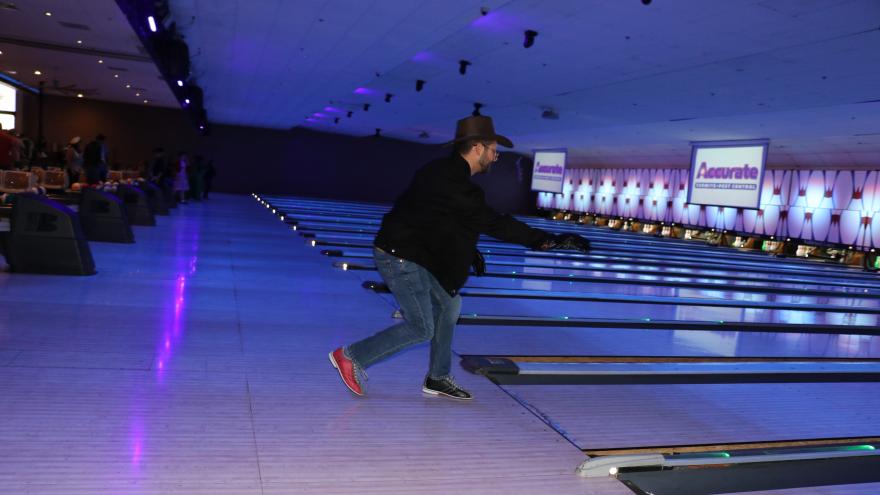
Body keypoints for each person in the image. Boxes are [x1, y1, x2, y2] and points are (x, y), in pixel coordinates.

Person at [329, 115, 590, 400]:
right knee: (421, 328)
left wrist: (467, 249)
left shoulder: (441, 171)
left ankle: (438, 377)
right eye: (493, 151)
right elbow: (494, 223)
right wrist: (546, 239)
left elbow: (437, 218)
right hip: (403, 257)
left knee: (450, 305)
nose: (494, 158)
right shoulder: (458, 184)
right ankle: (351, 356)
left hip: (414, 251)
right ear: (477, 147)